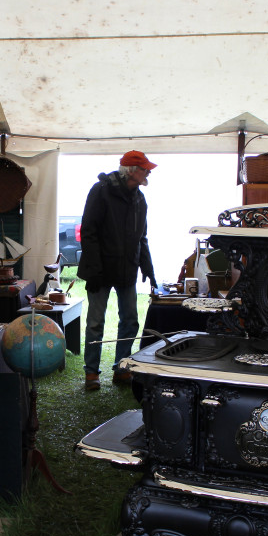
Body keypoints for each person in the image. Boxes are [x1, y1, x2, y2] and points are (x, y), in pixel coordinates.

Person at [77, 151, 158, 391]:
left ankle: (122, 368)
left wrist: (148, 268)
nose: (148, 173)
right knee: (95, 324)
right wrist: (94, 270)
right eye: (145, 169)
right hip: (100, 271)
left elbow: (141, 237)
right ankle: (91, 373)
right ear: (131, 170)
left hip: (127, 270)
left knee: (130, 321)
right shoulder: (100, 191)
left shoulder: (140, 200)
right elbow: (89, 231)